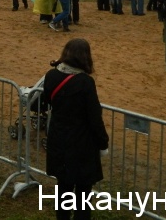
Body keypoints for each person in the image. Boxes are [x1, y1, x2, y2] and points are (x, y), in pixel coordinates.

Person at [44, 38, 109, 220]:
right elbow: (94, 117)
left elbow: (48, 101)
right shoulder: (85, 82)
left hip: (58, 138)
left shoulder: (51, 75)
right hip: (81, 143)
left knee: (63, 188)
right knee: (82, 193)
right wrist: (103, 143)